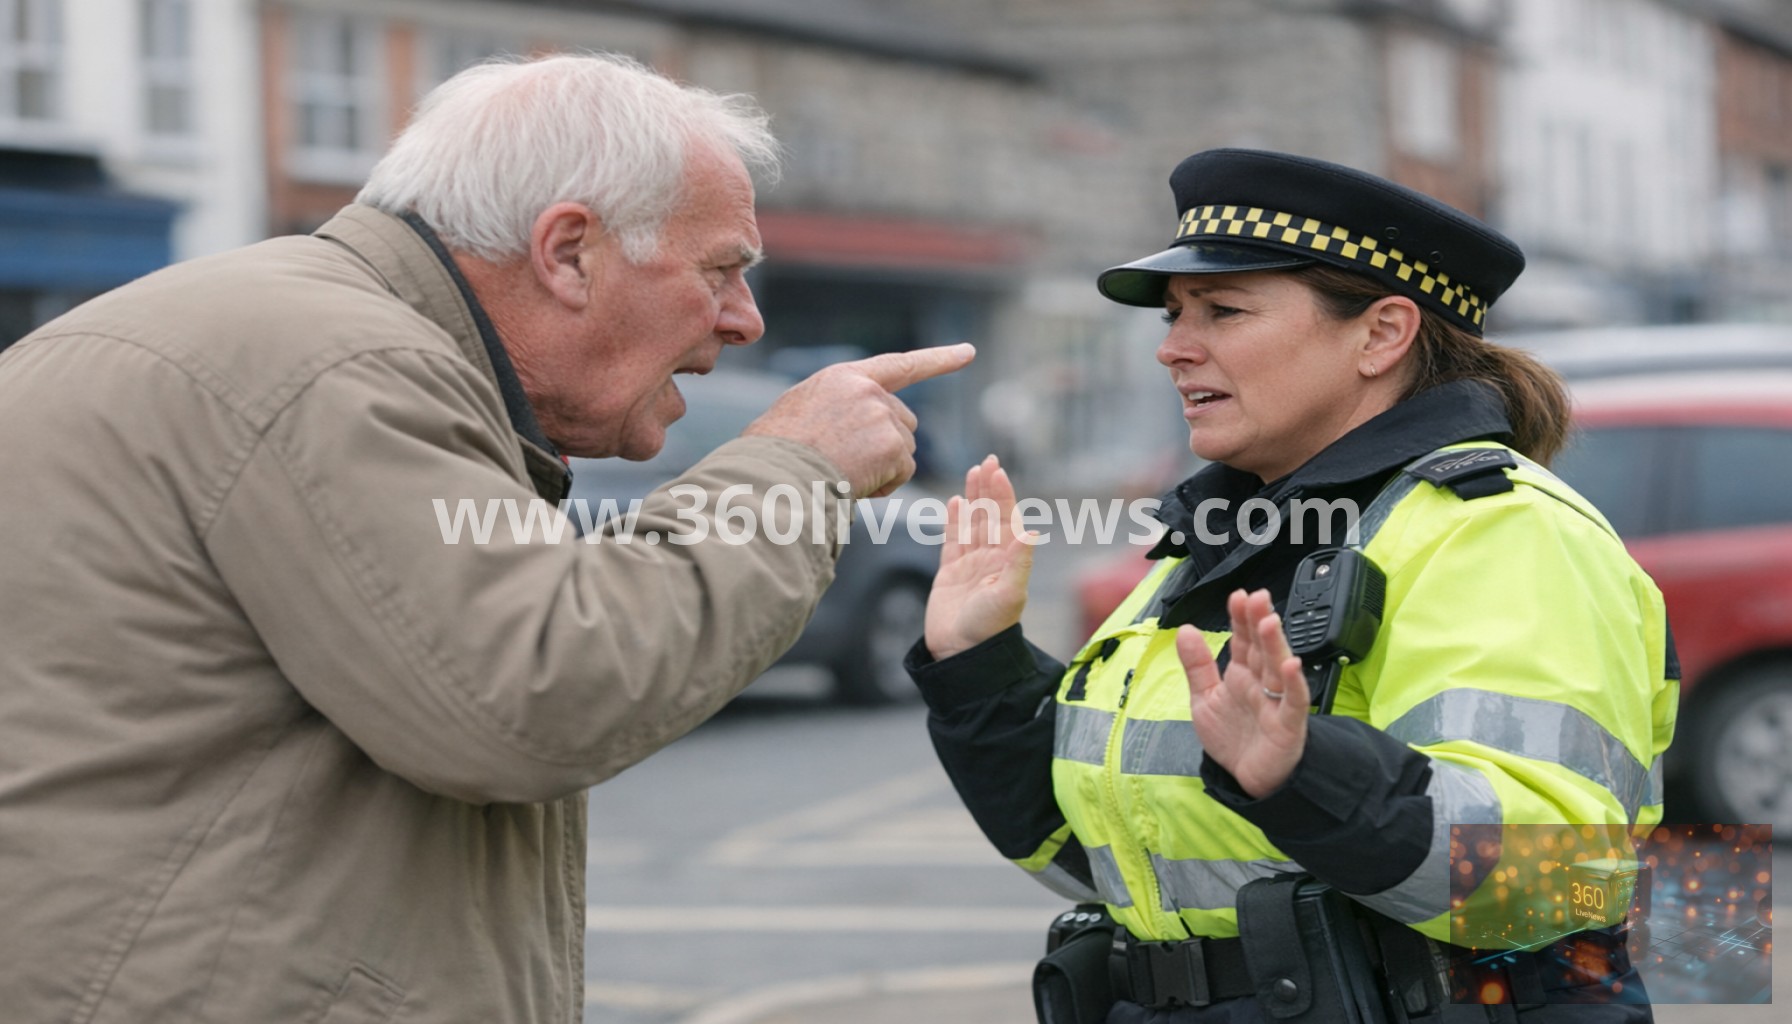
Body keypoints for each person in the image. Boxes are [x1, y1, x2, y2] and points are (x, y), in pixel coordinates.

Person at [0, 54, 972, 1023]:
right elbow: (535, 692)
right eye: (719, 269)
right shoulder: (337, 359)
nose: (744, 319)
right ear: (567, 252)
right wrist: (795, 467)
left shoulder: (281, 329)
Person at [912, 149, 1674, 1023]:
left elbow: (1559, 880)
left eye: (1223, 311)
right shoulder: (1230, 534)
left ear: (1383, 334)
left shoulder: (1503, 529)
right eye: (1172, 317)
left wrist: (1305, 772)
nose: (1172, 349)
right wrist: (976, 664)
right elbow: (1124, 857)